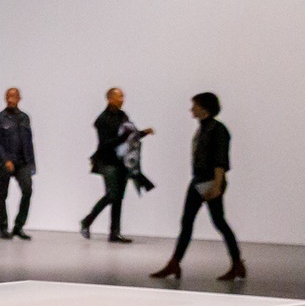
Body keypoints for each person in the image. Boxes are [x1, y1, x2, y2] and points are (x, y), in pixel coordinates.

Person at [151, 92, 245, 282]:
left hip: (210, 181)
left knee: (218, 222)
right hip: (199, 181)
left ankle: (237, 264)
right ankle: (175, 263)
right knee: (188, 222)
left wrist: (217, 185)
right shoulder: (203, 128)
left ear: (204, 107)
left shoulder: (217, 130)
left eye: (194, 105)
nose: (191, 109)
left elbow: (220, 160)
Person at [81, 87, 151, 242]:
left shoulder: (123, 115)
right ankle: (87, 221)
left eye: (123, 97)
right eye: (119, 97)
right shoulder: (102, 119)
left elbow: (130, 135)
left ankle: (114, 232)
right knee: (112, 195)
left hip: (121, 162)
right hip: (107, 161)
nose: (122, 99)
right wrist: (124, 137)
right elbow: (105, 143)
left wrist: (142, 133)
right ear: (110, 98)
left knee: (118, 197)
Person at [0, 87, 36, 240]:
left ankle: (18, 226)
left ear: (19, 98)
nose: (11, 99)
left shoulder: (24, 118)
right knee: (3, 194)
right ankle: (3, 228)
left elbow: (29, 142)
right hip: (4, 162)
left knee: (27, 190)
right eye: (9, 96)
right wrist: (6, 160)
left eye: (14, 97)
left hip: (22, 162)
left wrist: (31, 163)